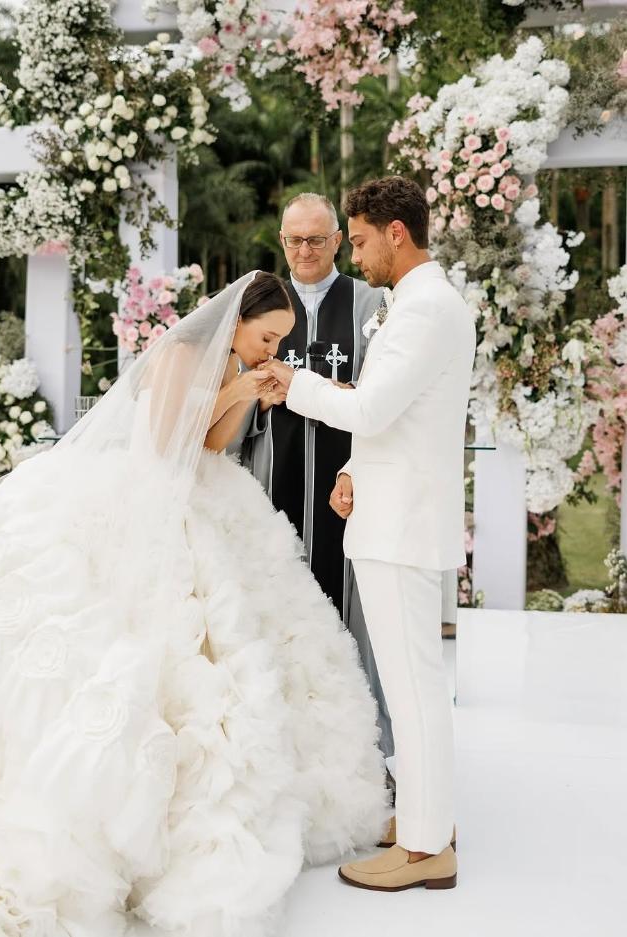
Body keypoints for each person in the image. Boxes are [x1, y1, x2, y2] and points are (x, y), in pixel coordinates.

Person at [0, 271, 389, 936]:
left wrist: (246, 391)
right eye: (267, 337)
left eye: (277, 344)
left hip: (206, 492)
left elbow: (211, 443)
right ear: (238, 317)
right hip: (151, 502)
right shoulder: (180, 355)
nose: (269, 351)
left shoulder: (234, 361)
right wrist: (238, 385)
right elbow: (166, 445)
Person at [268, 177, 475, 892]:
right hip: (392, 513)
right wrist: (356, 467)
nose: (354, 256)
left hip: (402, 528)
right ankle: (422, 816)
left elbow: (375, 406)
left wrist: (287, 382)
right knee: (412, 686)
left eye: (356, 241)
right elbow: (401, 418)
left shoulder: (422, 311)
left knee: (415, 691)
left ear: (396, 232)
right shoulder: (414, 305)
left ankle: (426, 849)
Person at [244, 193, 395, 761]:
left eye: (317, 239)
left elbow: (383, 396)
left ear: (337, 241)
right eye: (293, 240)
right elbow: (238, 387)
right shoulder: (261, 302)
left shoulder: (370, 305)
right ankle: (281, 748)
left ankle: (357, 751)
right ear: (281, 240)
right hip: (271, 481)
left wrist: (306, 390)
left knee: (350, 618)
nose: (304, 250)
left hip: (346, 487)